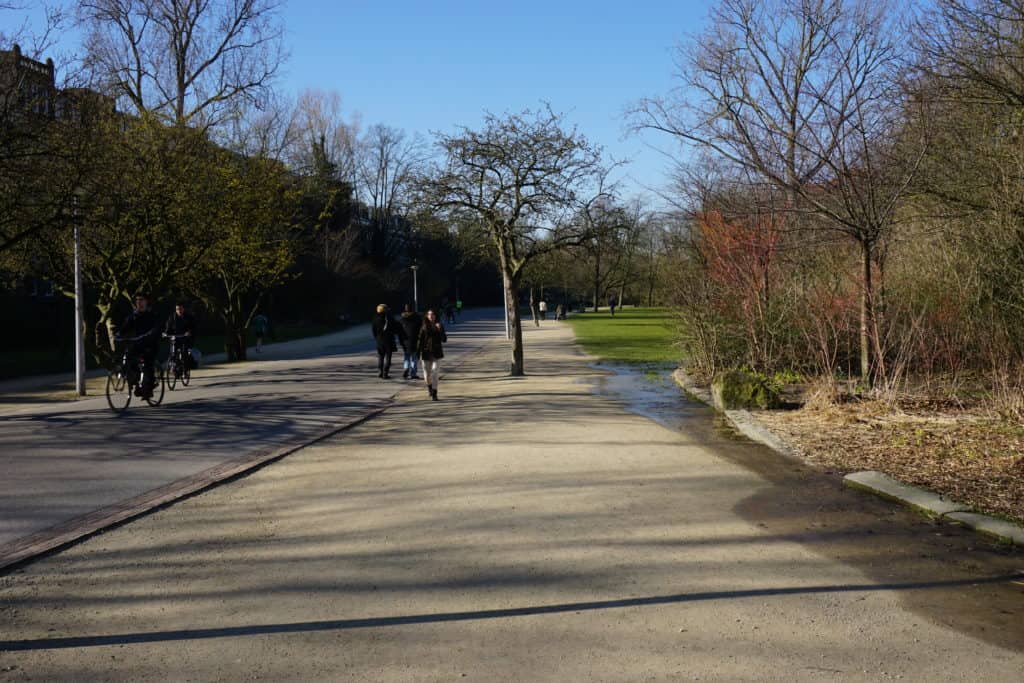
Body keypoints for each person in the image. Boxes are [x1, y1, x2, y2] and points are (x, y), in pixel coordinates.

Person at [119, 293, 160, 398]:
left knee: (147, 364)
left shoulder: (152, 315)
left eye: (141, 300)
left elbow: (156, 329)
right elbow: (125, 327)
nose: (139, 302)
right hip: (137, 344)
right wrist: (118, 334)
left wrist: (150, 335)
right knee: (129, 359)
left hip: (149, 345)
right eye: (137, 300)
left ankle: (148, 389)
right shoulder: (133, 316)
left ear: (146, 302)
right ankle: (135, 382)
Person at [418, 308, 447, 401]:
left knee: (435, 373)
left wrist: (440, 330)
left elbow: (444, 339)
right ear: (427, 316)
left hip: (437, 353)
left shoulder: (439, 325)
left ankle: (435, 393)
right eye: (429, 314)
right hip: (426, 353)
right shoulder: (423, 327)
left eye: (433, 314)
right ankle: (429, 387)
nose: (431, 316)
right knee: (427, 375)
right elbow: (420, 340)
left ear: (435, 316)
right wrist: (418, 351)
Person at [372, 304, 405, 379]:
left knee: (381, 356)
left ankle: (380, 371)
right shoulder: (389, 318)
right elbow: (396, 328)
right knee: (388, 358)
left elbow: (373, 331)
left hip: (379, 341)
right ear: (385, 310)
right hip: (388, 341)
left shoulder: (375, 318)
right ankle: (385, 373)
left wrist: (377, 338)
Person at [164, 302, 196, 370]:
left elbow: (193, 327)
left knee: (184, 352)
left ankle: (185, 368)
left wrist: (189, 332)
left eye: (180, 309)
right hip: (176, 337)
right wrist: (166, 333)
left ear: (183, 309)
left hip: (185, 338)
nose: (179, 311)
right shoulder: (172, 317)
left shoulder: (189, 317)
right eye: (177, 309)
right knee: (173, 351)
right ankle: (173, 365)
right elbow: (168, 327)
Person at [399, 303, 422, 379]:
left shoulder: (402, 319)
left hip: (405, 340)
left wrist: (401, 340)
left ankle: (406, 368)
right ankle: (413, 373)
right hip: (414, 339)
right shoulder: (417, 317)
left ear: (405, 309)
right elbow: (421, 328)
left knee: (406, 355)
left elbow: (400, 331)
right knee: (414, 357)